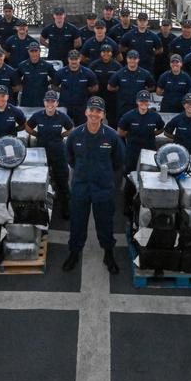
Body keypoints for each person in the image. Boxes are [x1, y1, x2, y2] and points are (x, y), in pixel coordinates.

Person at [62, 97, 124, 275]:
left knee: (105, 222)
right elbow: (70, 159)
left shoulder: (111, 136)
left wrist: (103, 175)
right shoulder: (75, 135)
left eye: (98, 111)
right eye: (91, 110)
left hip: (103, 187)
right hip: (81, 186)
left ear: (103, 114)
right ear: (86, 112)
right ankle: (74, 252)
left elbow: (118, 161)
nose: (94, 114)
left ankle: (109, 254)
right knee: (77, 222)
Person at [25, 91, 74, 218]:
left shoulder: (62, 117)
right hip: (42, 152)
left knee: (62, 180)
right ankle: (40, 209)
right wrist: (37, 135)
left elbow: (71, 128)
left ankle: (66, 207)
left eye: (53, 101)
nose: (50, 104)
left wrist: (61, 135)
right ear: (44, 102)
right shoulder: (38, 116)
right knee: (39, 180)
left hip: (58, 152)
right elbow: (28, 127)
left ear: (57, 103)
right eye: (48, 101)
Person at [117, 90, 165, 175]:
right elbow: (120, 132)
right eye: (141, 101)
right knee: (130, 174)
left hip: (149, 150)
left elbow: (161, 128)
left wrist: (151, 134)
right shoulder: (128, 116)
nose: (144, 103)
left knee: (149, 173)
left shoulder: (155, 116)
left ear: (149, 102)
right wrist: (131, 135)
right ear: (137, 101)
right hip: (132, 151)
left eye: (146, 101)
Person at [107, 50, 155, 124]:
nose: (132, 60)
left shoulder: (145, 73)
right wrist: (120, 89)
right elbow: (110, 87)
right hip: (123, 107)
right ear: (127, 59)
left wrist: (144, 91)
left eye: (134, 58)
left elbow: (152, 87)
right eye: (130, 58)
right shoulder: (120, 73)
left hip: (139, 107)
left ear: (138, 59)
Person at [53, 50, 98, 125]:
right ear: (68, 59)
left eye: (76, 59)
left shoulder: (88, 73)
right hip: (64, 107)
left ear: (79, 59)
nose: (74, 62)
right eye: (71, 59)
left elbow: (95, 87)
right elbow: (54, 86)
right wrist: (64, 91)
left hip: (81, 107)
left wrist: (83, 91)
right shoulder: (60, 73)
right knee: (64, 127)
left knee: (81, 129)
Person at [89, 43, 122, 127]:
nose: (106, 54)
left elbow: (121, 80)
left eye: (108, 52)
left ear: (111, 53)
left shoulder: (117, 65)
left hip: (112, 97)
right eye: (104, 52)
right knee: (96, 119)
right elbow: (88, 78)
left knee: (113, 120)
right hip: (97, 96)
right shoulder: (94, 65)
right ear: (100, 53)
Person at [14, 42, 56, 107]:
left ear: (39, 51)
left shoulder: (47, 65)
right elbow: (15, 78)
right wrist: (22, 84)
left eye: (36, 51)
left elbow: (56, 77)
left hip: (42, 99)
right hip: (26, 99)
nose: (34, 53)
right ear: (28, 52)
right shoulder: (22, 65)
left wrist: (48, 83)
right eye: (31, 51)